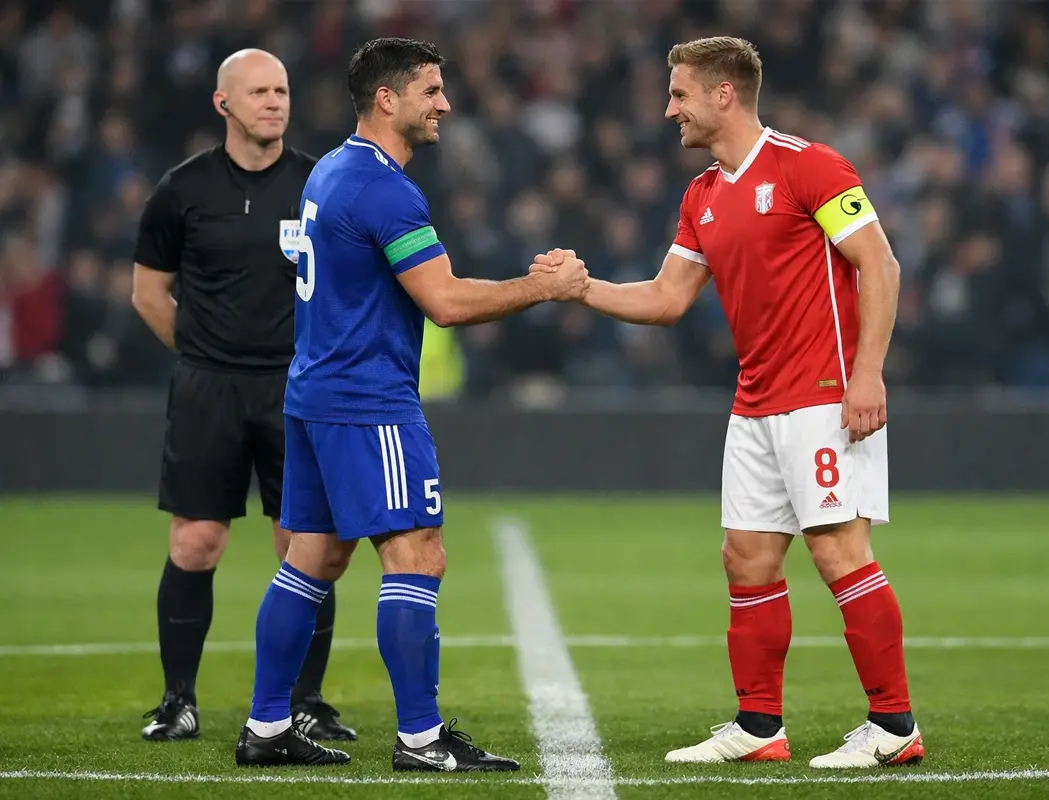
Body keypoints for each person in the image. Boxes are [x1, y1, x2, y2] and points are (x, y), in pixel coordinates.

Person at [534, 36, 923, 769]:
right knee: (745, 559)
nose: (667, 109)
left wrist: (867, 373)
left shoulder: (810, 165)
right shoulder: (703, 194)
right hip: (754, 403)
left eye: (678, 94)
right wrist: (579, 288)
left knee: (839, 551)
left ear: (723, 94)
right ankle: (758, 726)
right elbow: (665, 298)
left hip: (822, 395)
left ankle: (895, 727)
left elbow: (880, 262)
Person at [232, 37, 588, 770]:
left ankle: (267, 726)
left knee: (313, 557)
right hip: (368, 400)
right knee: (418, 556)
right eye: (431, 90)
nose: (445, 104)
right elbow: (447, 302)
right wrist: (542, 288)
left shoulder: (330, 170)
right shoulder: (383, 188)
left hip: (314, 391)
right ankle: (422, 739)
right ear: (388, 99)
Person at [131, 49, 356, 743]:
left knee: (306, 545)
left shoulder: (322, 183)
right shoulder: (182, 190)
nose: (275, 102)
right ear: (222, 103)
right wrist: (206, 355)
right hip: (209, 388)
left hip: (298, 388)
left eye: (282, 90)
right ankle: (177, 701)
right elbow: (147, 292)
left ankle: (307, 702)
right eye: (258, 91)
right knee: (197, 542)